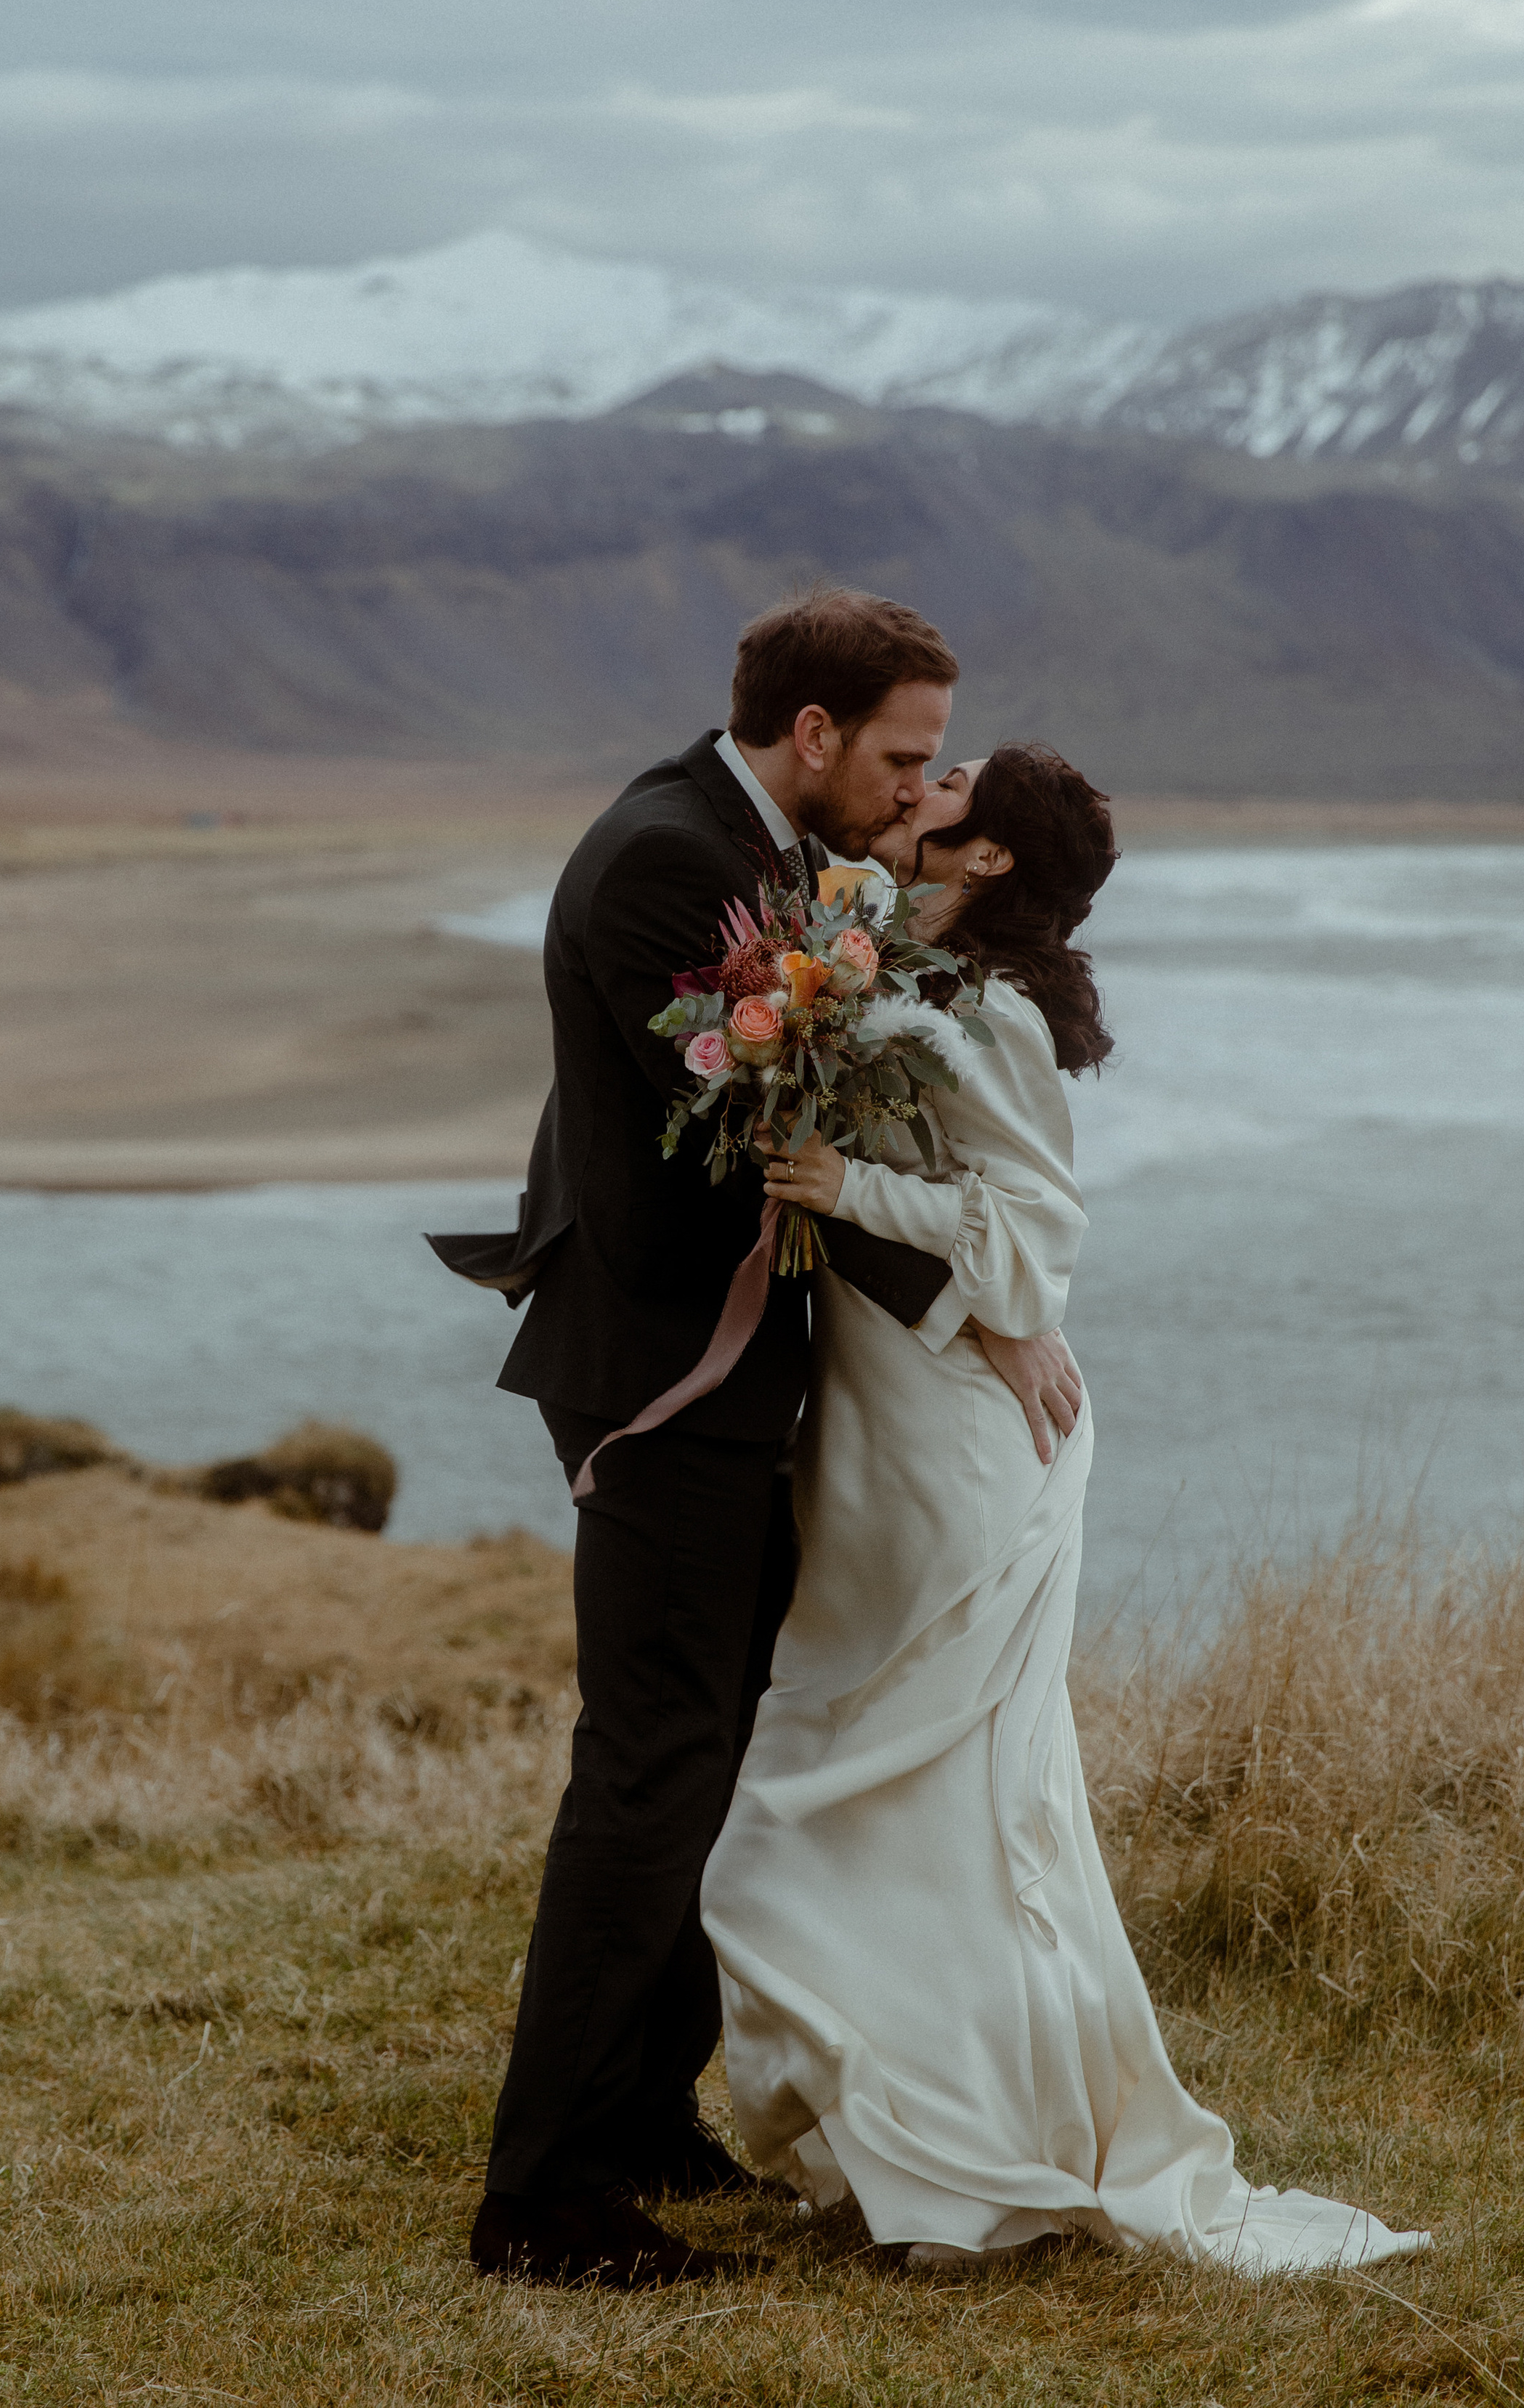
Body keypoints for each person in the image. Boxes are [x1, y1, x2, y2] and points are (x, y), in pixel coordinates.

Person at [702, 743, 1431, 2274]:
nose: (925, 786)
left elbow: (1034, 1246)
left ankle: (959, 2138)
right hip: (883, 1414)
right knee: (900, 1780)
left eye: (950, 786)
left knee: (901, 1783)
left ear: (984, 861)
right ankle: (907, 2118)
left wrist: (842, 1189)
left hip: (961, 1443)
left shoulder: (988, 1014)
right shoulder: (892, 960)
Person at [432, 590, 1085, 2291]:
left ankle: (643, 2120)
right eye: (898, 755)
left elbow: (671, 1100)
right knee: (651, 1770)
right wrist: (983, 1313)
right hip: (664, 1375)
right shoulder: (670, 856)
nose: (908, 786)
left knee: (703, 1757)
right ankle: (544, 2198)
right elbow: (755, 1134)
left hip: (720, 1372)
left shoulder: (741, 839)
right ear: (811, 735)